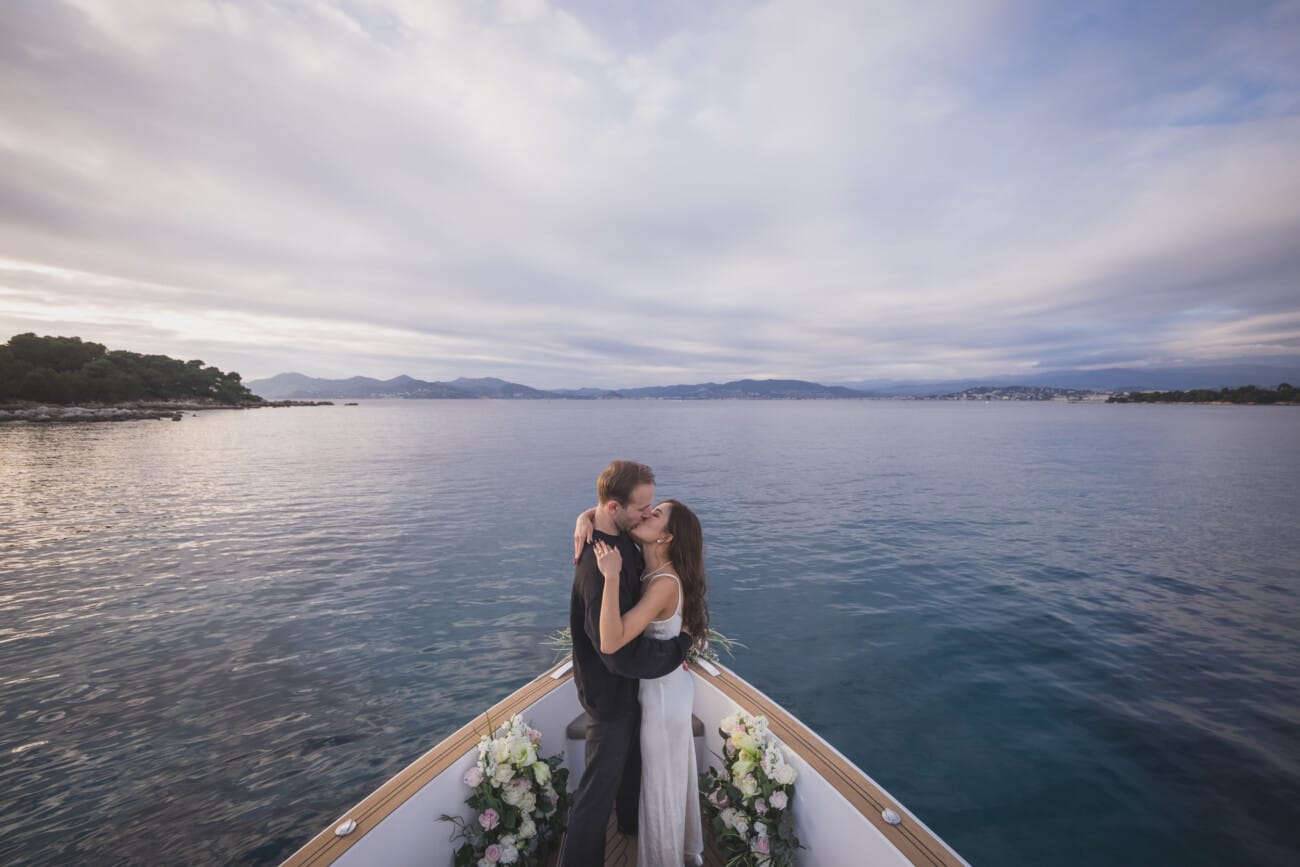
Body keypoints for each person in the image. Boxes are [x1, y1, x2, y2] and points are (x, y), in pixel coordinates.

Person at [559, 461, 694, 867]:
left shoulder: (619, 535)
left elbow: (608, 512)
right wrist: (678, 649)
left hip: (632, 691)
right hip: (611, 695)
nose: (646, 514)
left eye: (652, 509)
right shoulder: (601, 569)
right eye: (642, 508)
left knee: (629, 767)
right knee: (595, 794)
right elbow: (616, 653)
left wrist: (586, 514)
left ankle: (632, 828)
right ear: (616, 505)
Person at [591, 498, 708, 867]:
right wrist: (584, 519)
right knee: (667, 782)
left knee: (660, 788)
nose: (645, 513)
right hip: (662, 690)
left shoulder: (662, 584)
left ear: (667, 537)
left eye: (655, 514)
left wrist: (610, 578)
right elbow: (607, 511)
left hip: (663, 701)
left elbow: (611, 641)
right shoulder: (649, 569)